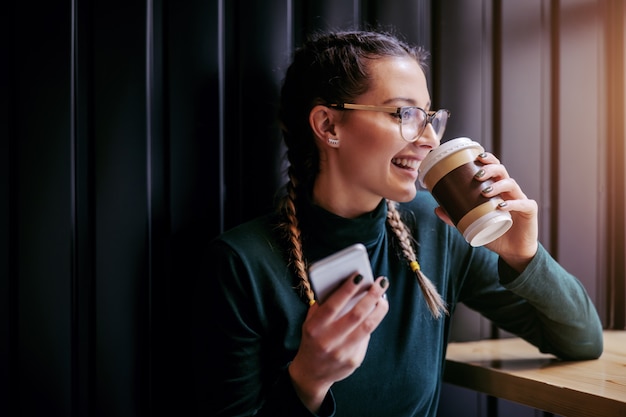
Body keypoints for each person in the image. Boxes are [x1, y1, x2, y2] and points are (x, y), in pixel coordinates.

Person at [193, 28, 603, 416]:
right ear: (328, 125)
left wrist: (525, 257)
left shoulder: (437, 226)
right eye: (404, 113)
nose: (429, 140)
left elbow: (582, 340)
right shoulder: (241, 264)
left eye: (429, 117)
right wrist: (306, 382)